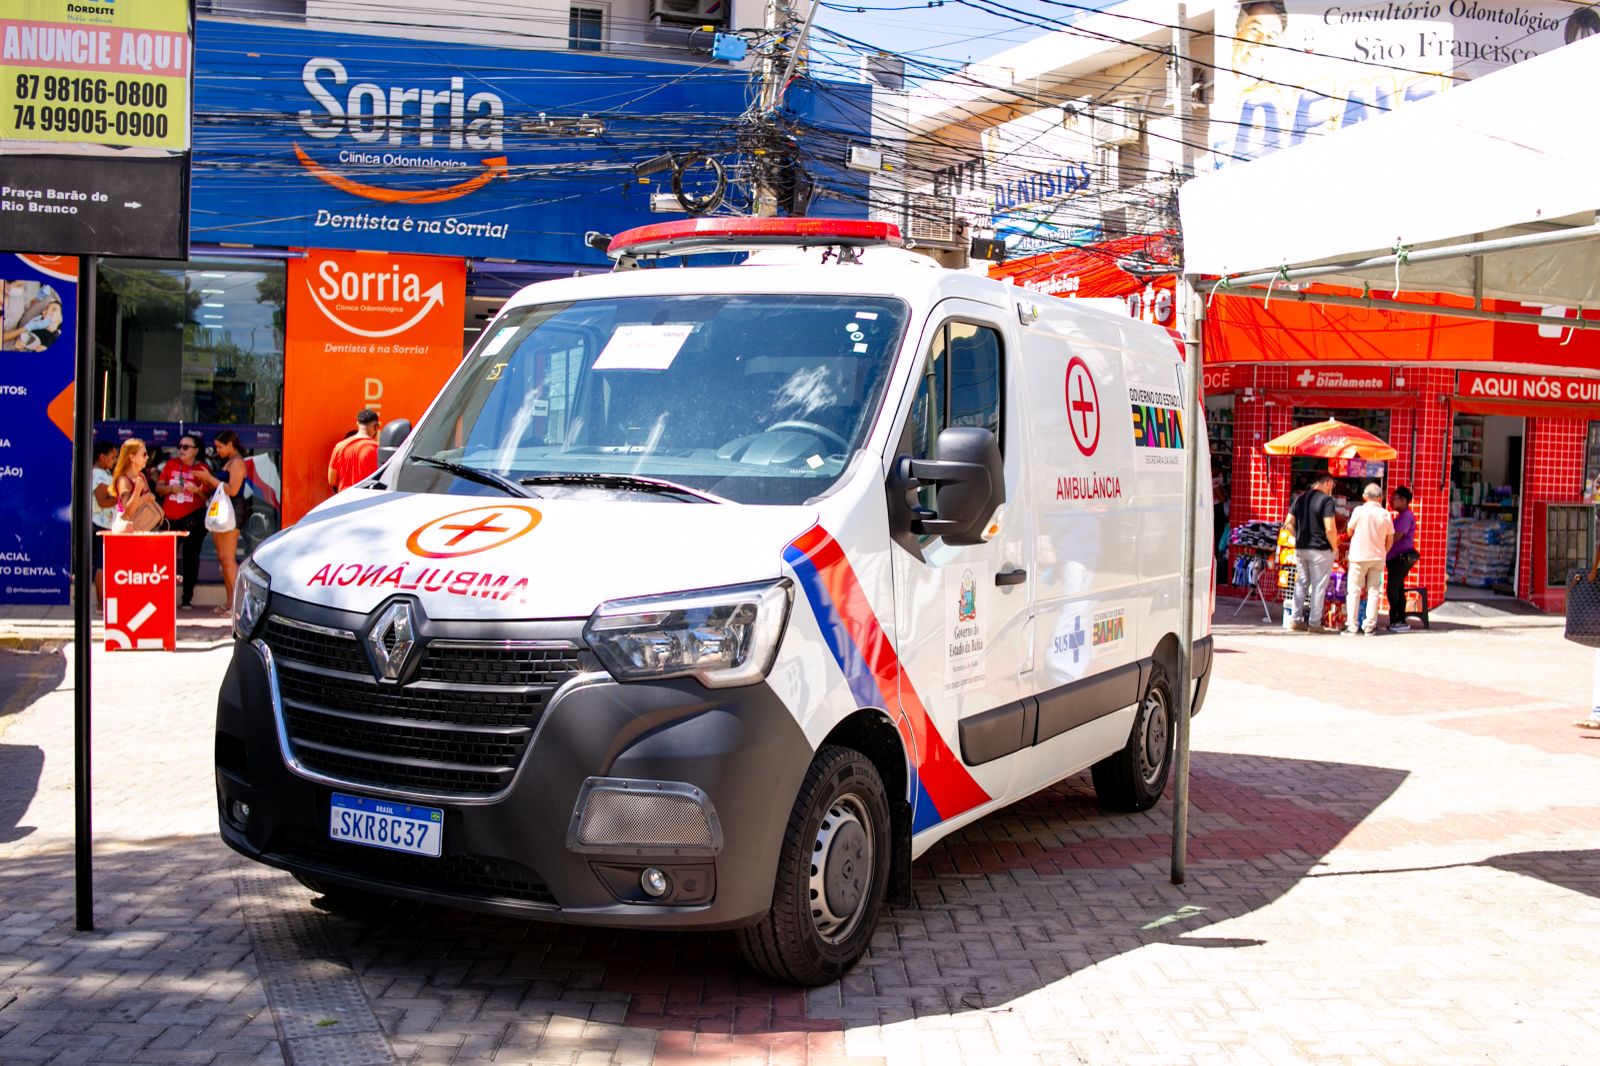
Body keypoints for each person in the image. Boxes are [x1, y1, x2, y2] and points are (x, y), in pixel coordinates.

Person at [155, 433, 212, 609]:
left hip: (193, 518)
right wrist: (172, 488)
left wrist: (196, 490)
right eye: (180, 446)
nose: (181, 450)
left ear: (195, 451)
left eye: (186, 447)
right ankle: (161, 596)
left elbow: (207, 496)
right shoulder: (171, 464)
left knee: (190, 558)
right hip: (170, 518)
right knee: (165, 558)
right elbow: (158, 488)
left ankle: (187, 597)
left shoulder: (203, 468)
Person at [195, 430, 248, 615]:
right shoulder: (227, 462)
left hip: (232, 510)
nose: (217, 450)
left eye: (220, 446)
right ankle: (229, 601)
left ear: (230, 445)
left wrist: (209, 478)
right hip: (223, 510)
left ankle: (237, 605)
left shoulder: (238, 463)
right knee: (223, 559)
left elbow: (232, 490)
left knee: (228, 558)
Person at [1283, 473, 1339, 632]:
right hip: (1320, 550)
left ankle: (1295, 620)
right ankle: (1315, 623)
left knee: (1301, 583)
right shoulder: (1326, 501)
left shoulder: (1300, 498)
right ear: (1328, 482)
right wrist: (1334, 547)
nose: (1332, 489)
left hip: (1301, 548)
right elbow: (1329, 528)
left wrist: (1298, 536)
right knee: (1318, 586)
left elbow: (1288, 522)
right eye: (1332, 485)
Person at [1343, 483, 1394, 636]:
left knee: (1354, 591)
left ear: (1365, 497)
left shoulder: (1359, 511)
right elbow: (1390, 538)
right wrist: (1384, 551)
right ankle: (1369, 625)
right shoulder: (1386, 514)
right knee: (1373, 591)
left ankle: (1352, 625)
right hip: (1378, 557)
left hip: (1358, 556)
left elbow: (1349, 531)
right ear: (1381, 497)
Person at [1385, 486, 1418, 632]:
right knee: (1397, 588)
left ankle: (1398, 619)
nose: (1391, 501)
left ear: (1403, 500)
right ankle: (1398, 619)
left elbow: (1397, 536)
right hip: (1394, 558)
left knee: (1393, 588)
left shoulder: (1406, 516)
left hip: (1400, 558)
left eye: (1394, 498)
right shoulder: (1400, 516)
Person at [90, 441, 118, 608]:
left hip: (108, 525)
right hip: (100, 525)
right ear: (102, 457)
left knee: (106, 564)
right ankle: (102, 604)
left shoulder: (105, 473)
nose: (114, 460)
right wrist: (122, 498)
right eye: (112, 457)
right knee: (101, 564)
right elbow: (102, 502)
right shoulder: (98, 474)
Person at [328, 409, 380, 491]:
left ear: (357, 423)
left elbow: (332, 480)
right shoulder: (377, 449)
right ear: (376, 426)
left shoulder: (340, 447)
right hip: (368, 500)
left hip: (344, 498)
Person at [111, 437, 154, 518]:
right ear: (132, 457)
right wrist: (139, 491)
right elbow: (128, 511)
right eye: (144, 454)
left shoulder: (141, 475)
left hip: (144, 525)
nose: (147, 457)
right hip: (128, 528)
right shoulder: (123, 480)